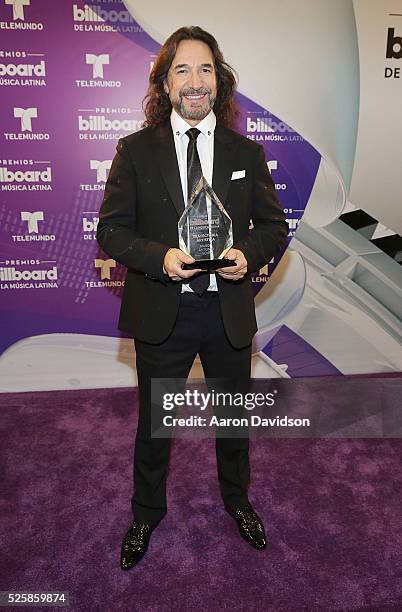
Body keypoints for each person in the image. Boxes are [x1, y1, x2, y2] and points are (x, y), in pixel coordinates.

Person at [97, 25, 288, 570]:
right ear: (165, 82)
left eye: (205, 69)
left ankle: (238, 501)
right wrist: (160, 257)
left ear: (219, 81)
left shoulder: (245, 151)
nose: (195, 81)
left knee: (233, 423)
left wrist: (248, 255)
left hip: (227, 313)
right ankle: (145, 513)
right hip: (164, 311)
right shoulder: (134, 151)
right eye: (182, 69)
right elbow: (111, 231)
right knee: (156, 425)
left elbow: (274, 226)